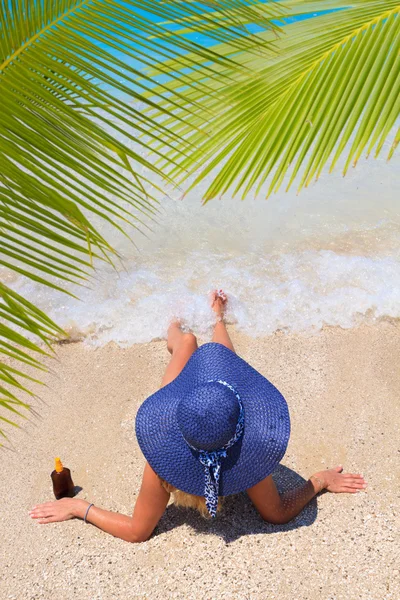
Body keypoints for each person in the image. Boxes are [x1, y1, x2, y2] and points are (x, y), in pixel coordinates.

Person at [29, 290, 367, 542]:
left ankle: (205, 320)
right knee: (190, 342)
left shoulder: (164, 458)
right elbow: (277, 512)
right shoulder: (242, 452)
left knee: (195, 345)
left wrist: (80, 508)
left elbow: (137, 530)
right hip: (187, 403)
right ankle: (183, 325)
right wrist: (318, 481)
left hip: (188, 407)